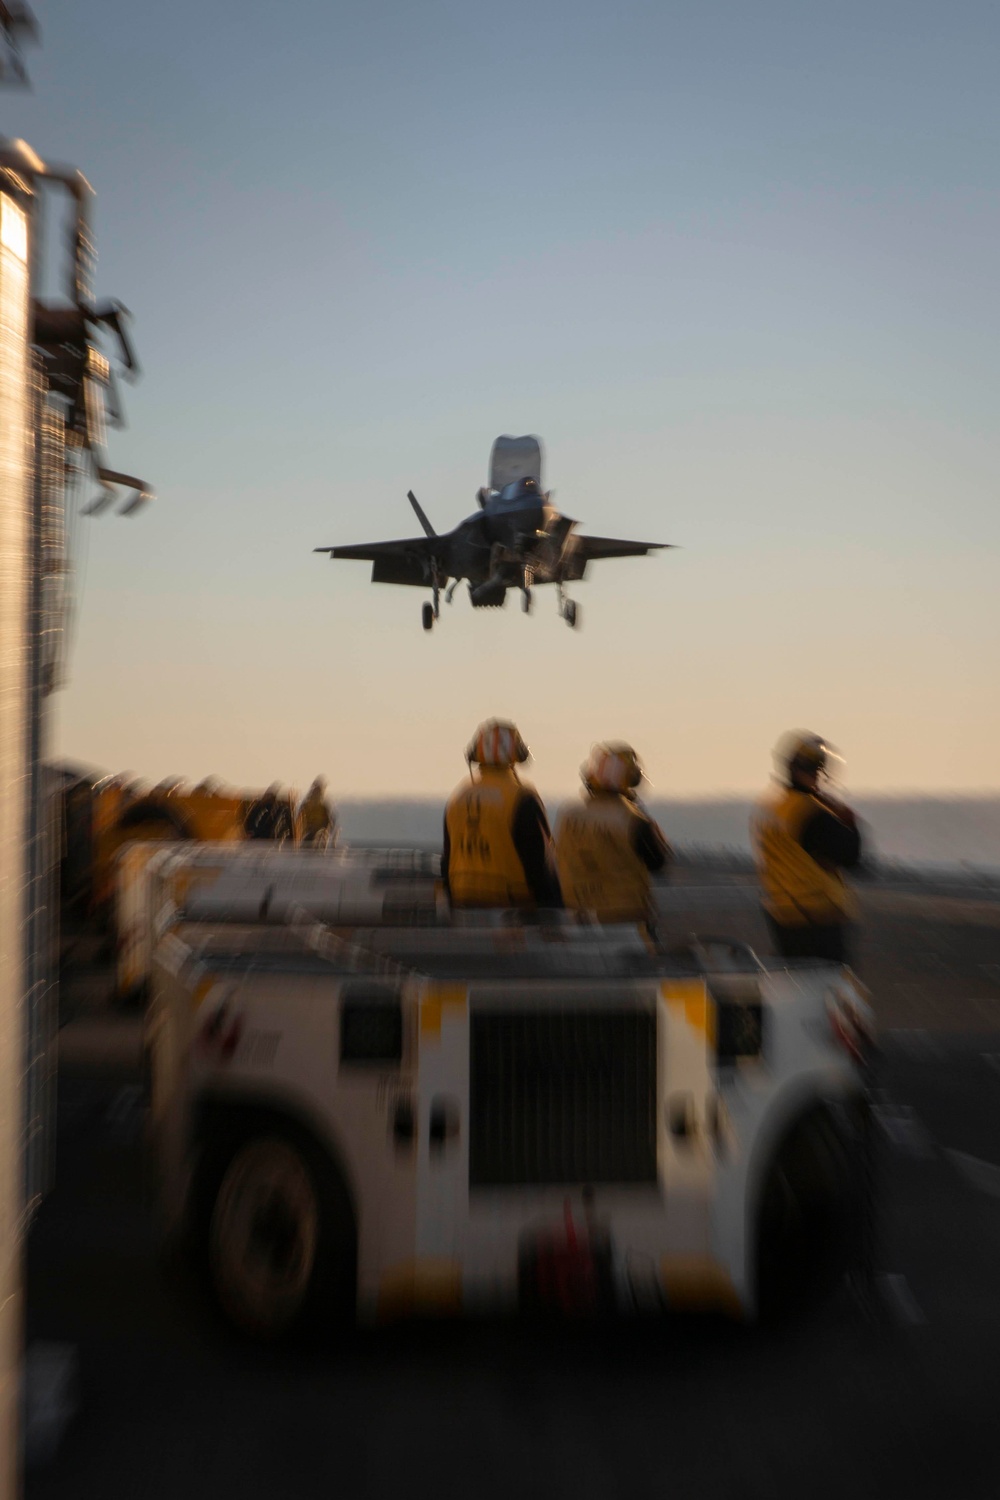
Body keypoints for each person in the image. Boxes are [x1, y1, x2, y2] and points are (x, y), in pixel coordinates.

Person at [751, 731, 862, 963]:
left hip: (782, 913)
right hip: (818, 915)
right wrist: (849, 822)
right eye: (816, 769)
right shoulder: (810, 813)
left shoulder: (770, 807)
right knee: (827, 986)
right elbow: (852, 856)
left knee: (794, 981)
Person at [442, 719, 562, 908]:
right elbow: (540, 864)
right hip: (513, 905)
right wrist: (555, 911)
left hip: (463, 901)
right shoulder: (522, 797)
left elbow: (447, 859)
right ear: (517, 754)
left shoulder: (458, 797)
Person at [554, 742, 671, 925]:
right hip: (625, 914)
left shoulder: (568, 813)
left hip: (575, 911)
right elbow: (657, 863)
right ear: (632, 778)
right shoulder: (634, 820)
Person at [297, 776, 336, 848]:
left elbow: (329, 821)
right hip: (311, 832)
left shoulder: (322, 805)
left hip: (318, 832)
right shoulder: (309, 804)